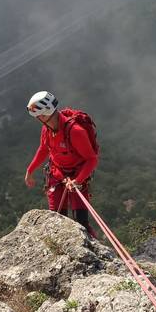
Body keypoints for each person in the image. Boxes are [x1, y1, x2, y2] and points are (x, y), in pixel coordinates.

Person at [25, 91, 98, 238]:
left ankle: (93, 249)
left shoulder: (75, 131)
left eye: (39, 116)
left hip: (77, 176)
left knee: (81, 221)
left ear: (45, 113)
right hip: (56, 174)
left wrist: (78, 180)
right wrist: (30, 170)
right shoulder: (47, 129)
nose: (38, 119)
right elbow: (44, 149)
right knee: (57, 218)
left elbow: (92, 159)